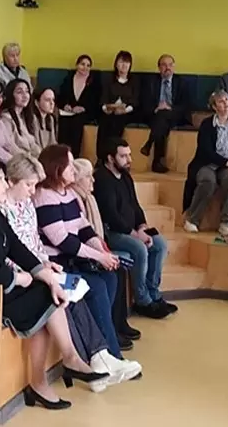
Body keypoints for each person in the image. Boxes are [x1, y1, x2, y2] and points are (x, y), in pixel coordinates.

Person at [0, 159, 107, 410]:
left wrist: (45, 275)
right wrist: (22, 278)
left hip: (0, 288)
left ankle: (53, 371)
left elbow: (17, 248)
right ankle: (63, 363)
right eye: (0, 179)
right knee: (45, 298)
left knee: (48, 294)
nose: (5, 183)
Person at [0, 154, 142, 388]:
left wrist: (45, 262)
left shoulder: (27, 204)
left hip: (41, 266)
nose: (33, 191)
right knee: (67, 293)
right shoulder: (2, 209)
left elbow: (35, 243)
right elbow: (10, 252)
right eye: (29, 185)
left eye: (34, 185)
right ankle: (92, 359)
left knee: (75, 288)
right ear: (11, 181)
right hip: (23, 275)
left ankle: (99, 357)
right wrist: (40, 269)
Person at [34, 145, 125, 363]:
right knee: (97, 286)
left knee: (111, 277)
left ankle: (103, 343)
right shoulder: (44, 196)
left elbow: (84, 228)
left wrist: (102, 251)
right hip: (56, 265)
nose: (73, 169)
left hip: (72, 260)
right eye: (69, 165)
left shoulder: (69, 194)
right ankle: (111, 354)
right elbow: (63, 241)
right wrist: (98, 256)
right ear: (56, 168)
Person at [94, 139, 176, 319]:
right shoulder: (102, 179)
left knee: (160, 244)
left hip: (131, 230)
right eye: (123, 156)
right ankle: (142, 301)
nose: (129, 160)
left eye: (129, 155)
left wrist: (142, 227)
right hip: (111, 233)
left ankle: (154, 294)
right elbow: (111, 215)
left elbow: (135, 206)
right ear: (110, 158)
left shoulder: (125, 177)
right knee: (139, 248)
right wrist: (135, 235)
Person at [72, 158, 141, 351]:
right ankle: (109, 334)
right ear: (76, 179)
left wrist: (104, 253)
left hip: (94, 250)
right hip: (78, 258)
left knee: (118, 267)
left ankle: (117, 325)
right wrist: (101, 255)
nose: (92, 181)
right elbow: (74, 239)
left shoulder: (88, 198)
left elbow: (92, 233)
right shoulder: (73, 199)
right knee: (111, 272)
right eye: (88, 177)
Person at [183, 89, 228, 237]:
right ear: (214, 107)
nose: (225, 103)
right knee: (208, 181)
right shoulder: (207, 124)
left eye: (227, 100)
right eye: (221, 101)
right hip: (207, 164)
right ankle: (192, 219)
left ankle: (226, 221)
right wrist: (226, 162)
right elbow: (206, 152)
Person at [139, 54, 191, 173]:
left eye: (170, 65)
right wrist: (156, 108)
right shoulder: (151, 82)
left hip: (176, 115)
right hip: (156, 115)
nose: (167, 68)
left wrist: (169, 107)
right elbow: (145, 103)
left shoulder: (181, 82)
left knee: (161, 118)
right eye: (164, 65)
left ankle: (151, 148)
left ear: (174, 66)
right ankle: (156, 160)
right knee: (161, 120)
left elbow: (186, 105)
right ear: (159, 68)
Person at [96, 50, 139, 157]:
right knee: (105, 122)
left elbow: (135, 101)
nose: (124, 65)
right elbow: (103, 98)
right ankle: (101, 156)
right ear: (116, 64)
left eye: (127, 62)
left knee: (117, 122)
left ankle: (114, 154)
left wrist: (124, 110)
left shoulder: (134, 80)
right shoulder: (108, 79)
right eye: (121, 62)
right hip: (110, 112)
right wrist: (106, 108)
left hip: (127, 113)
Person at [56, 54, 99, 158]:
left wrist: (83, 108)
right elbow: (61, 96)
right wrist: (65, 105)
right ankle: (62, 155)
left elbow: (95, 101)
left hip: (85, 112)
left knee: (77, 122)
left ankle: (74, 156)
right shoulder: (69, 79)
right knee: (64, 121)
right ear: (77, 65)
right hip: (68, 112)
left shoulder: (94, 81)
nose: (85, 67)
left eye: (88, 65)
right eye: (82, 64)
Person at [0, 78, 40, 156]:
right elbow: (10, 147)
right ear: (11, 95)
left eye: (27, 91)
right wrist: (29, 158)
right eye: (19, 92)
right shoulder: (6, 118)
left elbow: (34, 144)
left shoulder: (26, 117)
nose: (25, 95)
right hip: (19, 160)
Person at [32, 86, 58, 151]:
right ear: (36, 102)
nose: (52, 103)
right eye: (47, 100)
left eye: (53, 100)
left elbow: (53, 142)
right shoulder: (33, 119)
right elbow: (34, 144)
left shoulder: (50, 119)